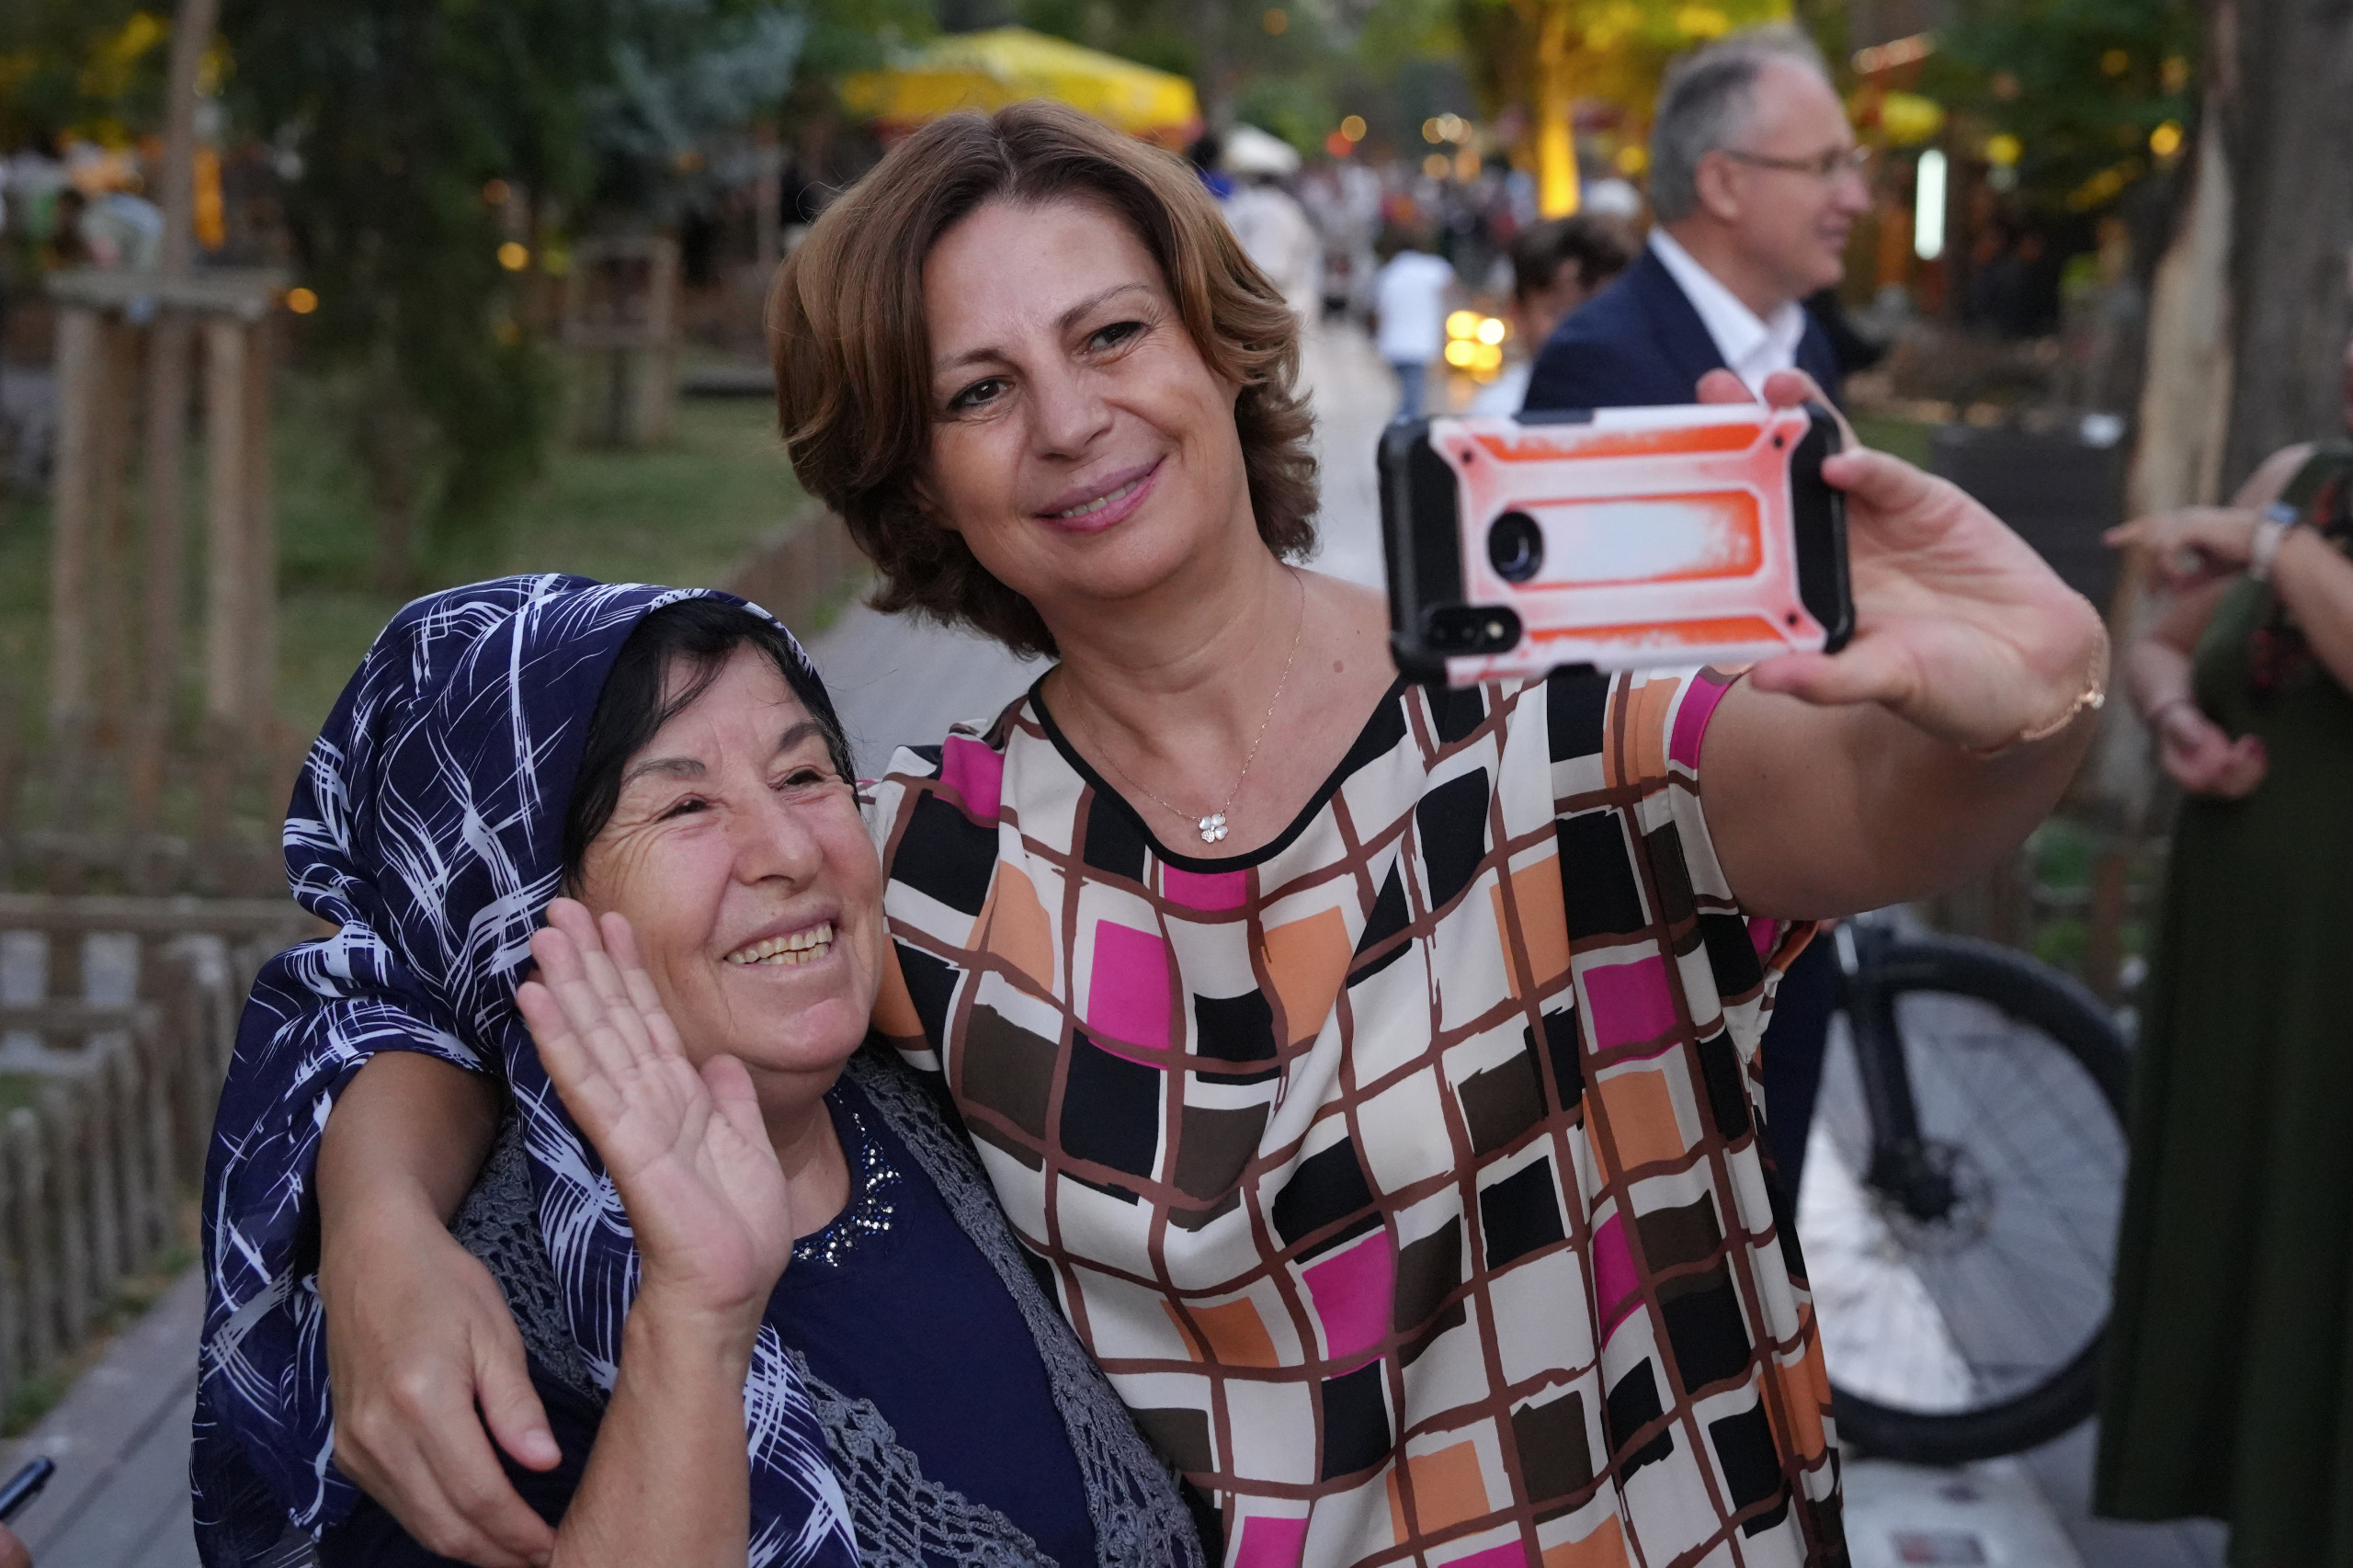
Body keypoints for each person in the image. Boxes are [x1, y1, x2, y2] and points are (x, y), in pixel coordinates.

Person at [252, 102, 2108, 1568]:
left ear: (1219, 345)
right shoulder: (920, 868)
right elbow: (450, 973)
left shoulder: (1555, 726)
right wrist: (383, 1221)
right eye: (979, 392)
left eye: (1108, 334)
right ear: (919, 487)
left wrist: (2017, 703)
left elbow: (1880, 805)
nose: (1068, 421)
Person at [193, 580, 1204, 1568]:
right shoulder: (476, 1354)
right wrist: (696, 1318)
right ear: (519, 903)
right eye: (684, 804)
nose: (786, 851)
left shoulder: (946, 1062)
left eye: (805, 775)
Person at [1519, 26, 1871, 1204]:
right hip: (1681, 914)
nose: (1855, 196)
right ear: (1725, 182)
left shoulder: (1802, 342)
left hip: (1800, 874)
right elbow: (1587, 677)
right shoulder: (1602, 364)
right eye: (1825, 165)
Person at [2095, 328, 2353, 1564]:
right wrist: (2179, 715)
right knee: (2250, 1237)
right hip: (2244, 955)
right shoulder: (2304, 479)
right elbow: (2156, 637)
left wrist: (2271, 547)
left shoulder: (2283, 526)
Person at [1466, 214, 1634, 415]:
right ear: (1517, 313)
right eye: (1559, 312)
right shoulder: (1497, 414)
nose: (1582, 329)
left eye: (1596, 310)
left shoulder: (1652, 401)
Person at [1370, 222, 1456, 419]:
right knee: (1413, 403)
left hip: (1393, 345)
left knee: (1409, 397)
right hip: (1419, 346)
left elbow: (1379, 313)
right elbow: (1455, 293)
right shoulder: (1433, 268)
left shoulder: (1389, 273)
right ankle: (1399, 441)